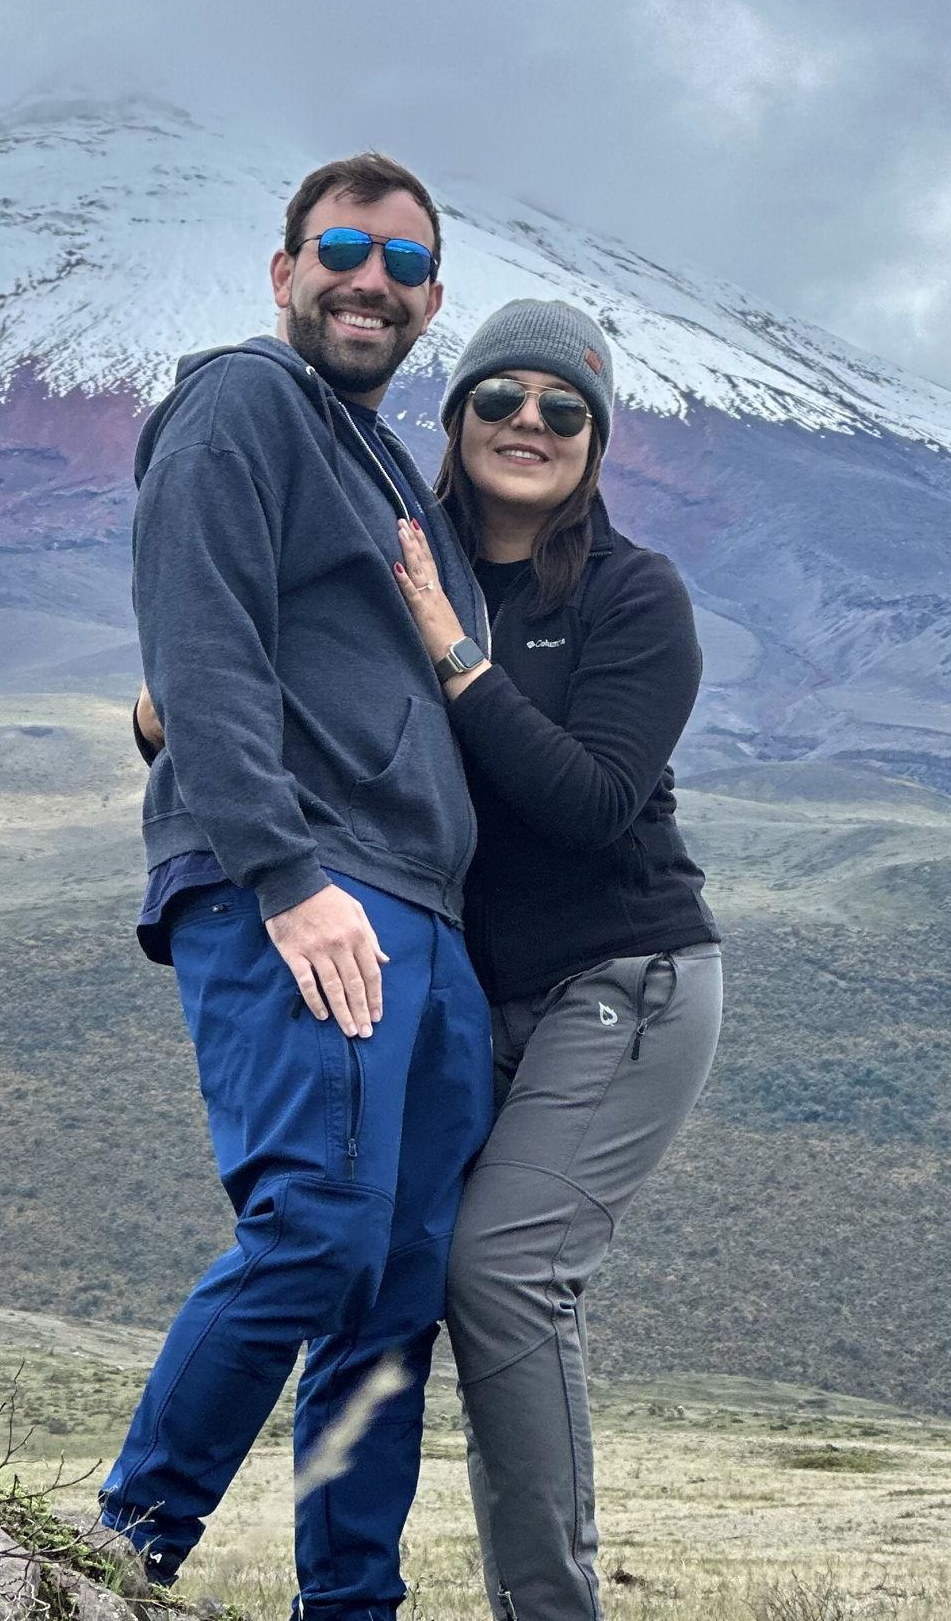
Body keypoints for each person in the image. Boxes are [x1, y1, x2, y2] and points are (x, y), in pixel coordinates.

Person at [98, 153, 496, 1618]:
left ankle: (350, 1605)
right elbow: (193, 639)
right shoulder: (241, 402)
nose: (368, 278)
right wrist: (285, 874)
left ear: (431, 301)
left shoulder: (387, 463)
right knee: (315, 1231)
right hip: (314, 885)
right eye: (341, 246)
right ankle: (122, 1551)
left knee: (392, 1294)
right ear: (284, 273)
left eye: (402, 264)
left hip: (428, 919)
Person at [390, 298, 723, 1621]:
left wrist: (456, 658)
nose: (527, 424)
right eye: (498, 400)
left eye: (562, 410)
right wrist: (158, 711)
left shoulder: (636, 597)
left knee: (505, 1274)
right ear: (456, 416)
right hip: (476, 996)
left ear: (596, 441)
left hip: (625, 981)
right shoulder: (412, 565)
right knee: (392, 1258)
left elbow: (591, 804)